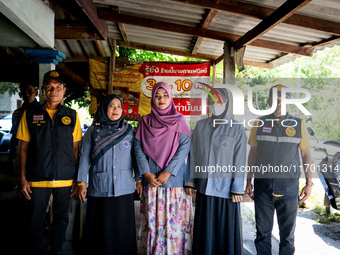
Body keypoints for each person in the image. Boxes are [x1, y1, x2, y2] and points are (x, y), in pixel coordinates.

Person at [17, 70, 82, 255]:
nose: (53, 91)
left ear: (64, 91)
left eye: (58, 87)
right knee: (34, 221)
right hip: (37, 178)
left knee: (61, 220)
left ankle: (56, 250)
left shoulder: (73, 115)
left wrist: (77, 179)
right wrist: (22, 178)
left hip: (65, 178)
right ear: (43, 91)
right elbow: (23, 148)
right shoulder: (30, 114)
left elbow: (75, 149)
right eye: (49, 87)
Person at [246, 84, 313, 255]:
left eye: (283, 101)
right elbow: (253, 153)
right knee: (262, 235)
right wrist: (248, 180)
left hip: (289, 189)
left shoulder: (299, 124)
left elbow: (305, 154)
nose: (278, 104)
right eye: (275, 100)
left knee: (287, 237)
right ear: (268, 101)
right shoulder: (259, 123)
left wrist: (309, 183)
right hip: (263, 188)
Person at [134, 82, 193, 254]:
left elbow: (185, 147)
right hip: (151, 182)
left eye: (165, 95)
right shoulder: (144, 122)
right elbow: (137, 148)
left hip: (174, 182)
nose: (161, 99)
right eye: (157, 96)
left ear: (170, 97)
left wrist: (168, 171)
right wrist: (146, 173)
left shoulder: (180, 120)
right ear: (152, 98)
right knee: (154, 225)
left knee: (174, 227)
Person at [77, 94, 138, 255]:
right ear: (104, 108)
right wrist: (81, 183)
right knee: (100, 227)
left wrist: (139, 180)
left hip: (124, 187)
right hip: (100, 186)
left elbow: (137, 156)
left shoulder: (129, 130)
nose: (116, 110)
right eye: (111, 106)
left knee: (121, 227)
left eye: (119, 106)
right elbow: (84, 156)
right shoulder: (93, 130)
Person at [190, 88, 246, 255]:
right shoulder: (200, 126)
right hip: (204, 187)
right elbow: (193, 155)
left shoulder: (236, 128)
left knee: (224, 230)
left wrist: (237, 187)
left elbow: (240, 159)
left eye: (219, 101)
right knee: (205, 230)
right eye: (211, 101)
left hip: (226, 189)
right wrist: (190, 182)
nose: (215, 105)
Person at [9, 81, 39, 177]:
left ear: (36, 93)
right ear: (20, 95)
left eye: (30, 91)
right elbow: (14, 136)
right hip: (21, 152)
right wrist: (12, 155)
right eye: (23, 92)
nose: (27, 94)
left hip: (37, 152)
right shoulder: (17, 113)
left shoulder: (42, 111)